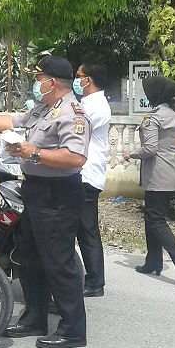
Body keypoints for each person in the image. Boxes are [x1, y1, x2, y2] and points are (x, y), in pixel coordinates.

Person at [0, 55, 90, 348]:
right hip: (35, 190)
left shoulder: (72, 113)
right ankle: (35, 316)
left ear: (52, 82)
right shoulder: (44, 108)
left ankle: (73, 330)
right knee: (29, 258)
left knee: (58, 261)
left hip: (58, 193)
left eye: (39, 79)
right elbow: (8, 121)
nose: (36, 84)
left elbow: (76, 157)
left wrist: (34, 154)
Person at [123, 75, 175, 289]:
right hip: (173, 173)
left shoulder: (152, 118)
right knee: (153, 217)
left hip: (157, 174)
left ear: (154, 94)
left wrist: (131, 154)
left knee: (155, 219)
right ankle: (153, 261)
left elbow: (149, 149)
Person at [73, 62, 111, 297]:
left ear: (88, 80)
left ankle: (95, 282)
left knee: (86, 231)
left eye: (78, 76)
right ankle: (92, 279)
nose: (76, 80)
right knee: (82, 230)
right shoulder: (85, 103)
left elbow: (74, 132)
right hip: (81, 174)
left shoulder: (97, 106)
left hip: (86, 175)